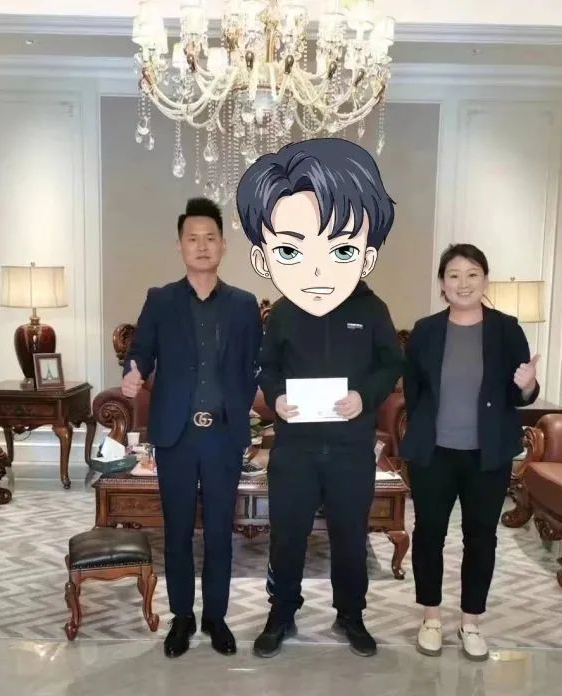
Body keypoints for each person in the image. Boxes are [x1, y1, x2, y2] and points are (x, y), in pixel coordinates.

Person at [236, 137, 405, 658]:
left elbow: (391, 363)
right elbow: (266, 366)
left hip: (351, 448)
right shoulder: (285, 311)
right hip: (296, 448)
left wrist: (364, 397)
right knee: (286, 534)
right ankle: (281, 613)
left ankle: (351, 616)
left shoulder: (372, 309)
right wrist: (277, 398)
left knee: (350, 537)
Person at [120, 197, 263, 658]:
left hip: (223, 435)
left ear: (223, 245)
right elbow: (141, 351)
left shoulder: (243, 305)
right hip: (176, 435)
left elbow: (256, 364)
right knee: (178, 531)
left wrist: (247, 401)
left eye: (210, 238)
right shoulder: (160, 300)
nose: (202, 246)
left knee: (220, 531)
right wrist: (133, 371)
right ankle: (182, 617)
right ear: (180, 246)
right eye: (192, 239)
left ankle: (216, 618)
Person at [399, 243, 540, 660]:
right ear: (442, 284)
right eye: (454, 275)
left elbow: (520, 394)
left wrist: (528, 385)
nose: (463, 283)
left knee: (481, 538)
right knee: (429, 534)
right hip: (434, 453)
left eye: (472, 274)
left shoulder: (507, 329)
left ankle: (471, 621)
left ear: (485, 280)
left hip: (487, 455)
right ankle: (430, 618)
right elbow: (414, 393)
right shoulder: (425, 331)